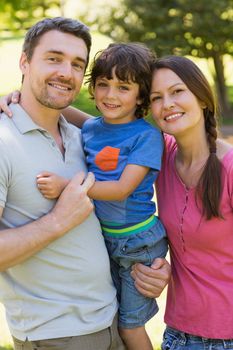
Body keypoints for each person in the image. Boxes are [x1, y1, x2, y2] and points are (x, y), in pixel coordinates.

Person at [0, 18, 171, 350]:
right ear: (24, 61)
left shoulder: (81, 135)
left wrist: (154, 271)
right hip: (57, 336)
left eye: (77, 64)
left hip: (111, 318)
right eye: (53, 58)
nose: (66, 72)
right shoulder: (4, 141)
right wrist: (58, 219)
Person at [132, 55, 233, 350]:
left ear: (201, 97)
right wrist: (25, 104)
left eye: (177, 92)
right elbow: (100, 127)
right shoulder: (161, 153)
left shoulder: (229, 168)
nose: (167, 104)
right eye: (156, 97)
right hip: (177, 335)